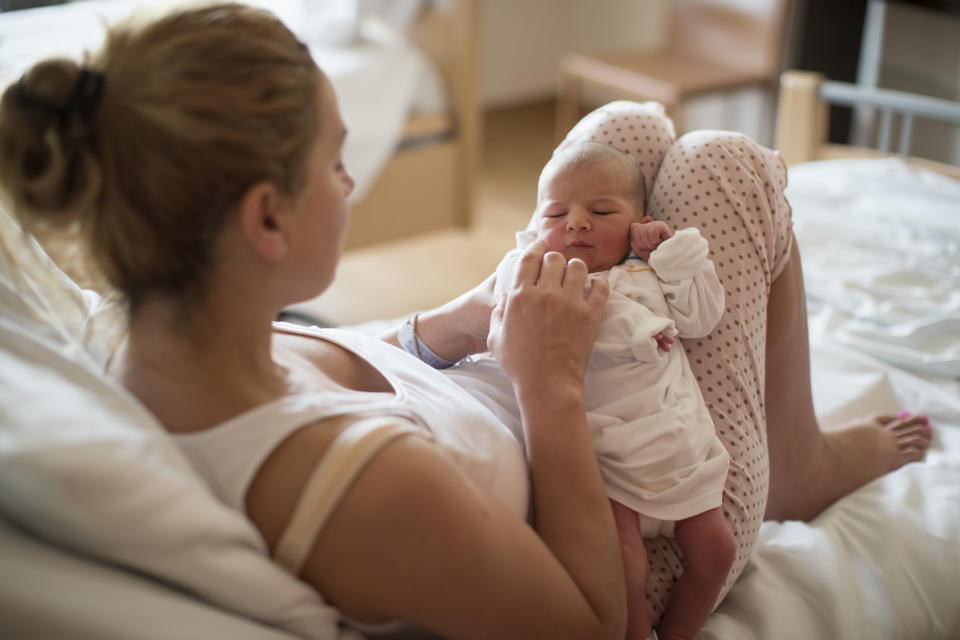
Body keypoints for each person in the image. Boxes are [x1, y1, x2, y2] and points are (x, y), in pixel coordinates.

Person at [0, 4, 932, 638]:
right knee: (726, 166)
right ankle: (790, 464)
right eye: (334, 164)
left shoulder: (149, 335)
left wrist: (447, 326)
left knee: (625, 135)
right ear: (267, 219)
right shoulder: (357, 490)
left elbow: (376, 375)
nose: (350, 183)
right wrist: (549, 385)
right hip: (630, 507)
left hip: (533, 374)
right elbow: (587, 626)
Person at [456, 140, 734, 640]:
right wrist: (524, 261)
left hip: (676, 449)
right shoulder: (544, 281)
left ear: (637, 221)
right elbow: (511, 327)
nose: (578, 222)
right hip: (602, 457)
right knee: (624, 567)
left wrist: (671, 251)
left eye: (601, 210)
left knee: (717, 553)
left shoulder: (646, 273)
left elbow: (703, 316)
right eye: (557, 213)